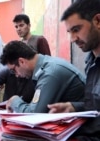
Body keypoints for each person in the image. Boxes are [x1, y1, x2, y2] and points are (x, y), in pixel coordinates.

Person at [47, 0, 100, 140]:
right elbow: (96, 109)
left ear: (98, 21)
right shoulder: (91, 61)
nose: (72, 39)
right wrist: (73, 107)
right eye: (69, 32)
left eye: (76, 30)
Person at [0, 40, 85, 113]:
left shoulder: (49, 73)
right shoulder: (45, 66)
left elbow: (35, 115)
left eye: (14, 70)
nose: (16, 75)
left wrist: (15, 100)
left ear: (22, 61)